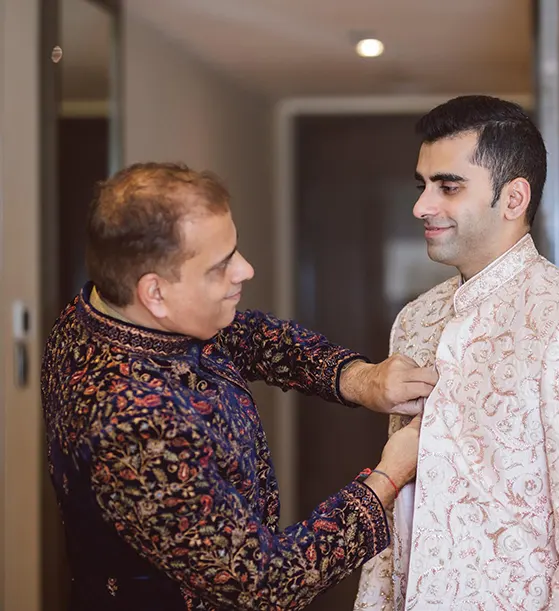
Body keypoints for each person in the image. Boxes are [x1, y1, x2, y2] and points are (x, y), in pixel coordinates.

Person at [41, 162, 439, 610]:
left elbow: (251, 338)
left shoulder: (105, 307)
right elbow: (264, 581)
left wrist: (359, 379)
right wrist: (387, 479)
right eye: (220, 266)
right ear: (154, 293)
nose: (245, 270)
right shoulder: (134, 423)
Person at [353, 95, 559, 611]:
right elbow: (402, 513)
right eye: (423, 186)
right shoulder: (415, 321)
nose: (421, 206)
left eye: (449, 186)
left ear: (513, 198)